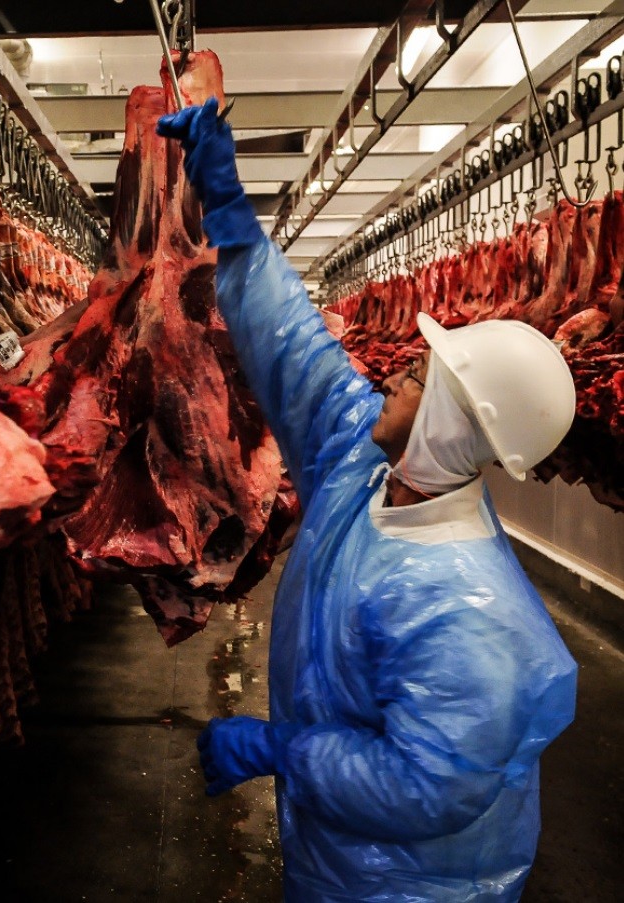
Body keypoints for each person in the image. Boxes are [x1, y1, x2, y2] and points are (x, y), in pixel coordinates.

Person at [157, 99, 579, 902]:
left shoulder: (465, 606)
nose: (392, 376)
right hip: (333, 855)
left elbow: (424, 789)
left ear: (454, 422)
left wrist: (278, 749)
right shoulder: (363, 468)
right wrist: (233, 216)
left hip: (418, 885)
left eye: (419, 377)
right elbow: (299, 353)